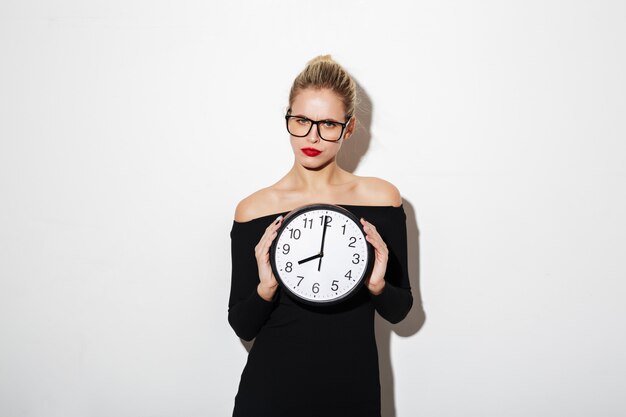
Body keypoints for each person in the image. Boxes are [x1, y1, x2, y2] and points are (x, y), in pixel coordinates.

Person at [228, 55, 413, 417]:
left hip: (352, 394)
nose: (312, 136)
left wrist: (377, 285)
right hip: (269, 396)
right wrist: (265, 288)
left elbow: (400, 310)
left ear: (348, 127)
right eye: (301, 121)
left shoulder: (380, 199)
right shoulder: (254, 210)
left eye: (328, 123)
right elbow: (242, 324)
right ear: (289, 120)